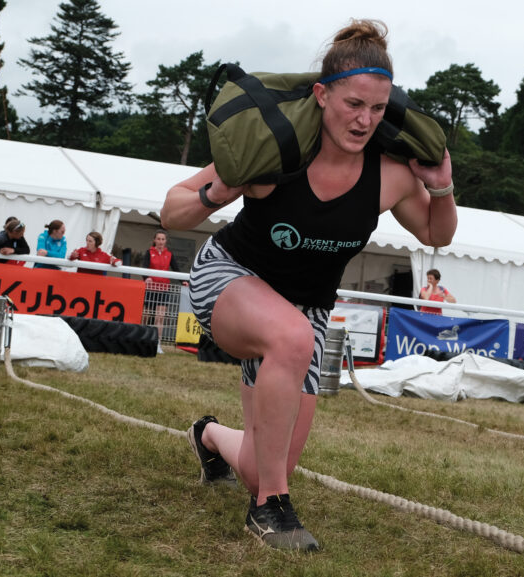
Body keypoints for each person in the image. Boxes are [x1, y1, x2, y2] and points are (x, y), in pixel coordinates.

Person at [160, 19, 456, 552]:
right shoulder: (278, 150)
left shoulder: (389, 175)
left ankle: (208, 437)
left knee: (258, 463)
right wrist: (220, 190)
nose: (365, 120)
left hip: (302, 314)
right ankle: (269, 510)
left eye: (378, 109)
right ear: (321, 95)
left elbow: (437, 234)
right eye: (353, 104)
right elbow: (173, 211)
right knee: (292, 338)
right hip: (228, 278)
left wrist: (442, 188)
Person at [141, 230, 182, 351]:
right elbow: (144, 266)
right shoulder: (149, 252)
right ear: (154, 240)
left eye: (163, 239)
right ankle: (142, 338)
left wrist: (184, 281)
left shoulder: (169, 254)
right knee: (146, 315)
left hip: (164, 288)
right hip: (151, 288)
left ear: (166, 241)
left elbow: (176, 268)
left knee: (160, 317)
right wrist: (146, 277)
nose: (160, 241)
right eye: (158, 239)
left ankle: (157, 343)